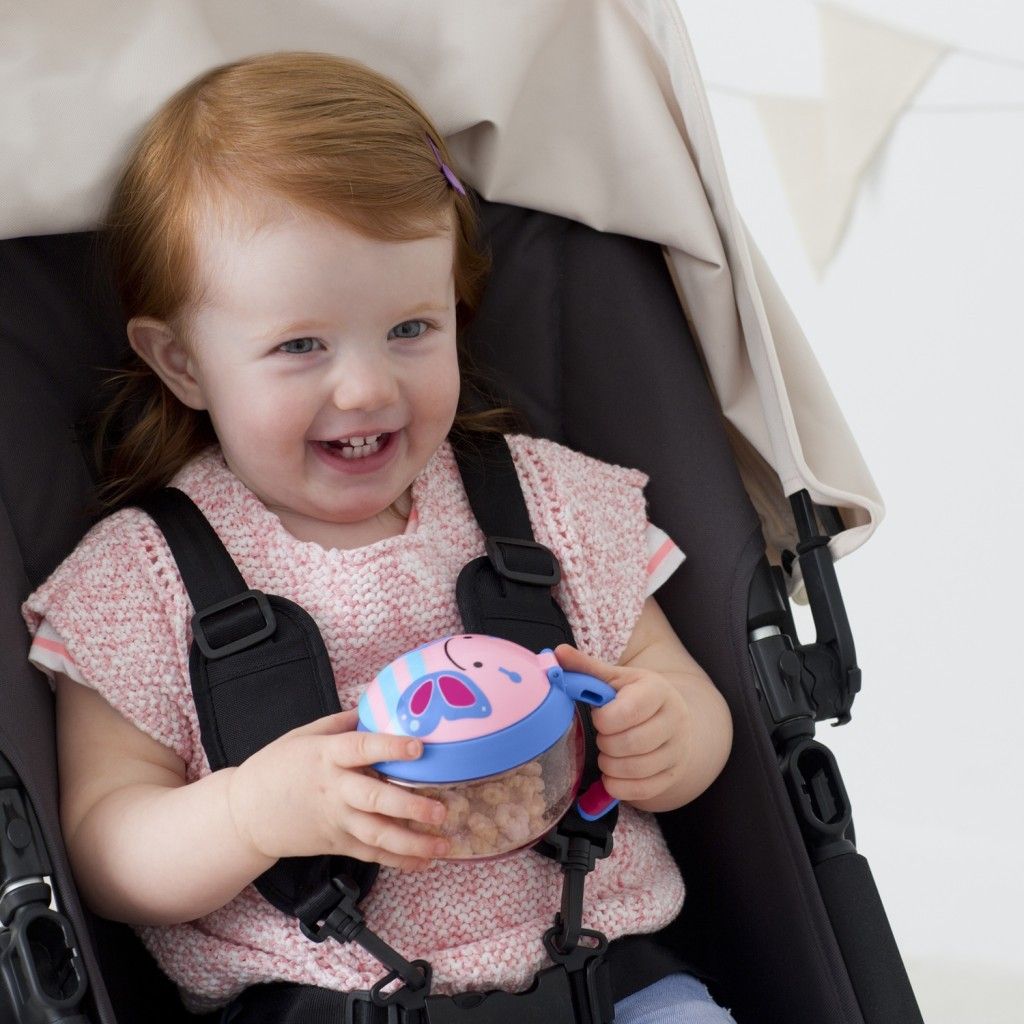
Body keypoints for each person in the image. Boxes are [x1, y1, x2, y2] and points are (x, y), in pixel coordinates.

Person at [21, 51, 735, 1024]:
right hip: (324, 999)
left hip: (603, 979)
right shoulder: (140, 582)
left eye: (410, 327)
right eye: (300, 345)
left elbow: (674, 684)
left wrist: (670, 733)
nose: (366, 387)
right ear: (183, 361)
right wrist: (250, 811)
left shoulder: (545, 506)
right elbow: (105, 847)